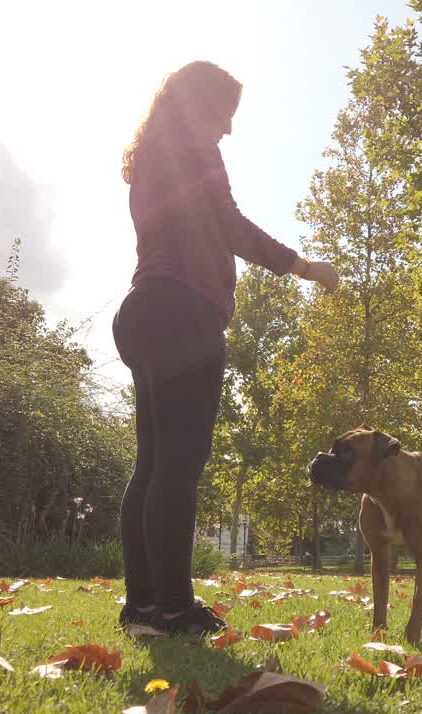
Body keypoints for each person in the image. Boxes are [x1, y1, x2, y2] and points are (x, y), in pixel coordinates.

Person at [113, 61, 339, 635]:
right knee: (178, 469)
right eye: (225, 114)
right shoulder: (192, 144)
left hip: (143, 312)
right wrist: (304, 266)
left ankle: (142, 606)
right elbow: (230, 225)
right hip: (184, 311)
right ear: (199, 104)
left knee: (152, 467)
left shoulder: (148, 157)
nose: (229, 130)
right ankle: (172, 608)